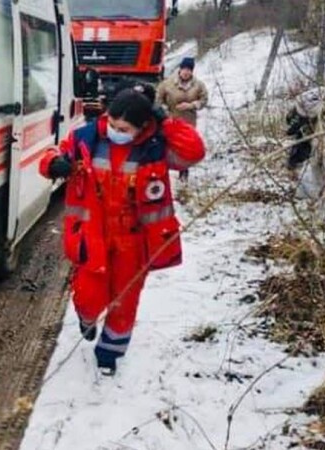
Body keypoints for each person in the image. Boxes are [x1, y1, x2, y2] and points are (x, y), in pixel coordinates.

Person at [39, 89, 205, 375]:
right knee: (89, 294)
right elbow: (52, 153)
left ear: (142, 127)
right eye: (113, 124)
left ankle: (109, 352)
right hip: (93, 235)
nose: (115, 131)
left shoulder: (155, 147)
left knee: (124, 301)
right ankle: (86, 318)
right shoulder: (87, 138)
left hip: (133, 240)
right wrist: (53, 164)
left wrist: (166, 122)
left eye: (124, 129)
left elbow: (194, 152)